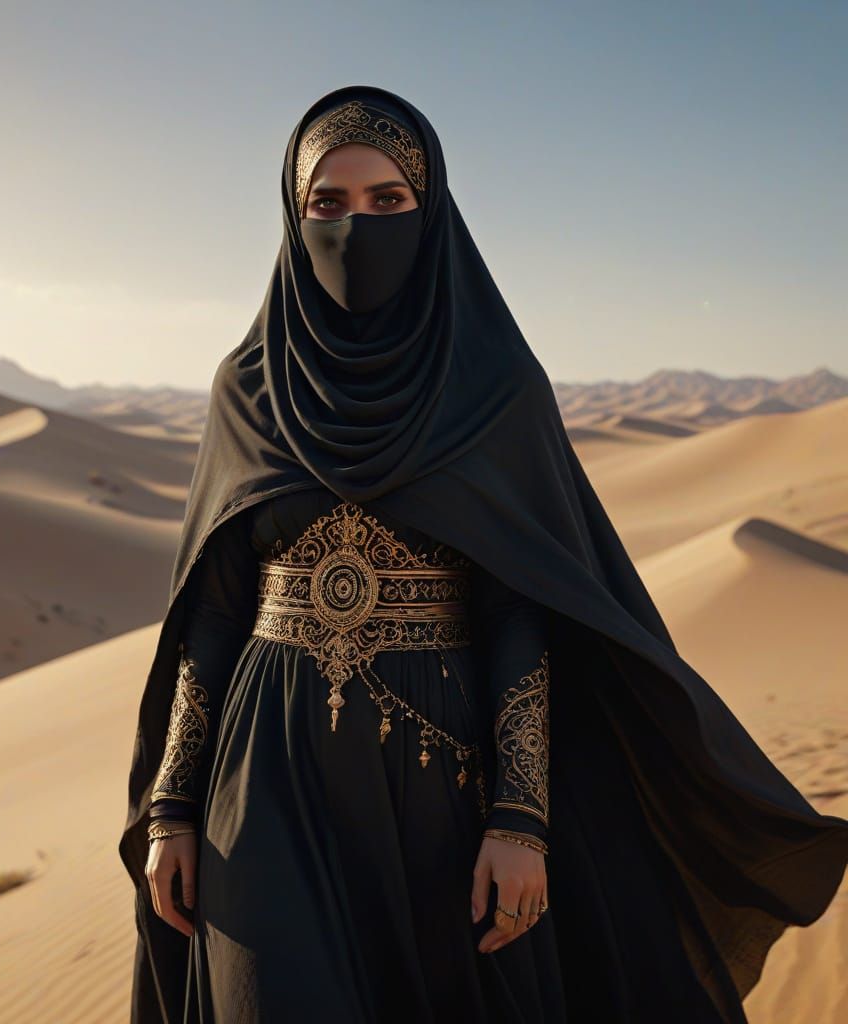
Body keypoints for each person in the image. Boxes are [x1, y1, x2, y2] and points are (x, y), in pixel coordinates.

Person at [119, 85, 848, 1024]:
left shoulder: (495, 389)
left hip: (442, 791)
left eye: (388, 199)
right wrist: (174, 803)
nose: (355, 226)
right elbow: (215, 612)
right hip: (261, 782)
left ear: (431, 211)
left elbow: (519, 611)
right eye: (327, 203)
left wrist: (521, 819)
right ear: (293, 219)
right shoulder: (247, 389)